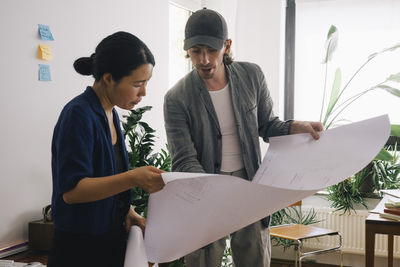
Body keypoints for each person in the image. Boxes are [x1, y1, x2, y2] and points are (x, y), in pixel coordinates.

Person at [163, 8, 323, 267]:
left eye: (211, 50)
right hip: (204, 189)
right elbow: (183, 160)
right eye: (195, 51)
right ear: (187, 49)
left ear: (226, 46)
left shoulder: (251, 76)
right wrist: (216, 190)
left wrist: (296, 127)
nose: (204, 59)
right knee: (202, 260)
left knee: (255, 259)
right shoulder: (177, 97)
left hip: (249, 183)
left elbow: (268, 125)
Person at [48, 31, 165, 267]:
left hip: (108, 244)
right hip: (79, 250)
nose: (143, 93)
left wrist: (128, 212)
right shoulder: (78, 115)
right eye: (137, 84)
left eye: (146, 84)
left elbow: (105, 180)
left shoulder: (110, 113)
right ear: (109, 78)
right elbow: (73, 191)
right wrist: (134, 177)